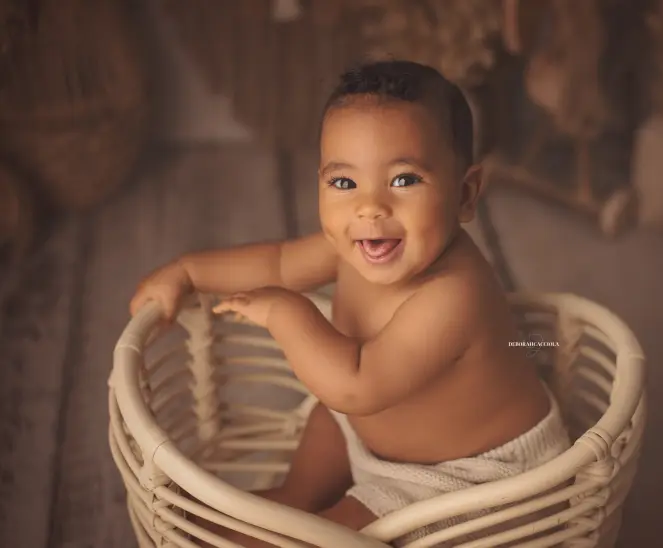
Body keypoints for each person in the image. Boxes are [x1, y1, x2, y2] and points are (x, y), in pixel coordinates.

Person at [130, 60, 570, 547]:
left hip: (467, 479)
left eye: (404, 180)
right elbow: (277, 263)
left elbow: (356, 386)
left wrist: (284, 312)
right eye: (344, 183)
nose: (369, 207)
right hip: (373, 432)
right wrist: (189, 272)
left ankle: (301, 528)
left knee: (344, 531)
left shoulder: (454, 294)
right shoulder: (353, 242)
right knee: (327, 421)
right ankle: (293, 499)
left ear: (464, 195)